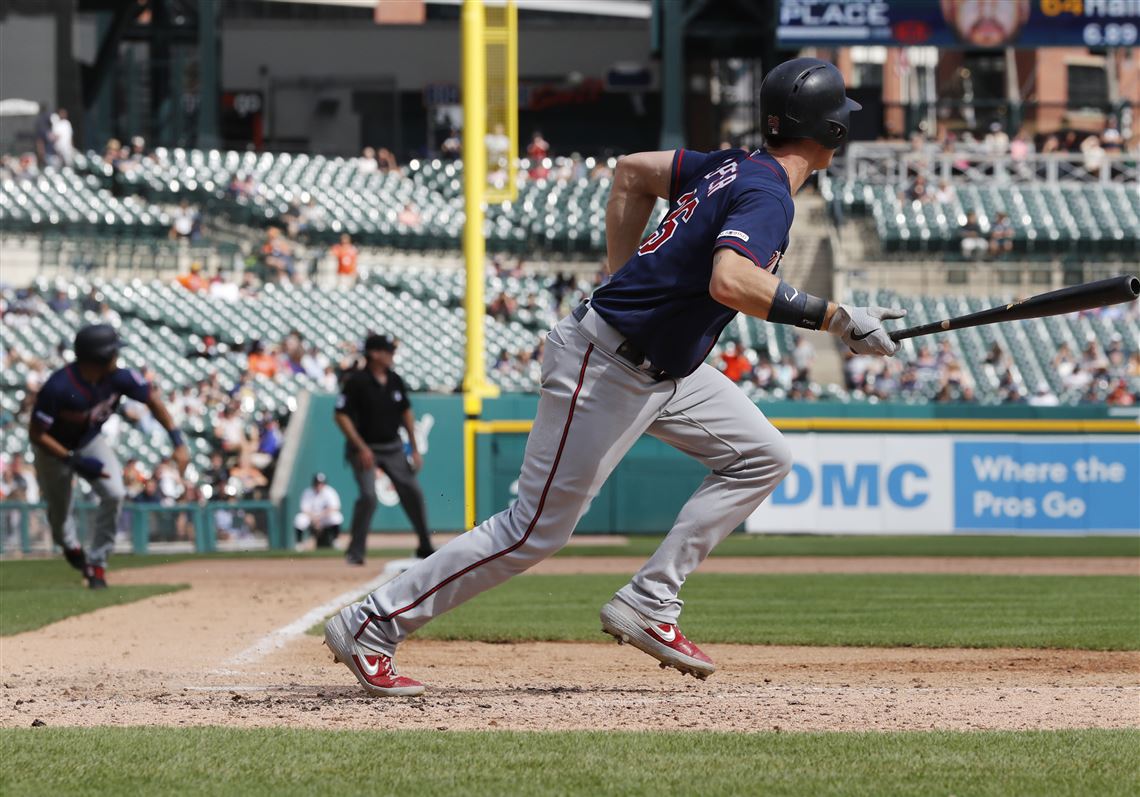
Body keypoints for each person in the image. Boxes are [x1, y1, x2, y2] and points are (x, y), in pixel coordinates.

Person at [323, 57, 902, 696]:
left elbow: (632, 172)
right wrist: (836, 317)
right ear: (831, 133)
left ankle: (652, 600)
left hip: (666, 369)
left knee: (762, 454)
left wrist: (621, 275)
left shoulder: (733, 164)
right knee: (533, 529)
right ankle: (372, 622)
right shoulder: (767, 192)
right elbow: (731, 280)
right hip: (607, 365)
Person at [27, 324, 189, 588]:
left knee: (115, 493)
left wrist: (178, 442)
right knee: (59, 513)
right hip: (53, 450)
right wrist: (72, 460)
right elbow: (36, 434)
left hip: (89, 441)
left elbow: (153, 400)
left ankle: (97, 563)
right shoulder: (58, 387)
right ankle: (71, 547)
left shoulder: (119, 377)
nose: (117, 357)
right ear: (99, 358)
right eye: (114, 352)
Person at [333, 334, 435, 566]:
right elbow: (340, 415)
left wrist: (414, 449)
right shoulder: (356, 380)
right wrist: (360, 447)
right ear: (374, 354)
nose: (392, 355)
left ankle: (425, 545)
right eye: (387, 351)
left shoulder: (394, 379)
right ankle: (355, 551)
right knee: (368, 496)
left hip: (392, 447)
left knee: (413, 492)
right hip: (364, 449)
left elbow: (406, 413)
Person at [294, 472, 344, 548]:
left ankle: (336, 541)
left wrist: (320, 517)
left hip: (324, 517)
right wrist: (314, 519)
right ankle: (299, 544)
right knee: (299, 519)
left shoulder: (329, 491)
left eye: (321, 483)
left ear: (324, 483)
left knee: (336, 517)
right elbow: (304, 509)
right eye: (317, 483)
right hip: (311, 517)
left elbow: (335, 508)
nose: (319, 485)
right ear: (313, 483)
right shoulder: (308, 492)